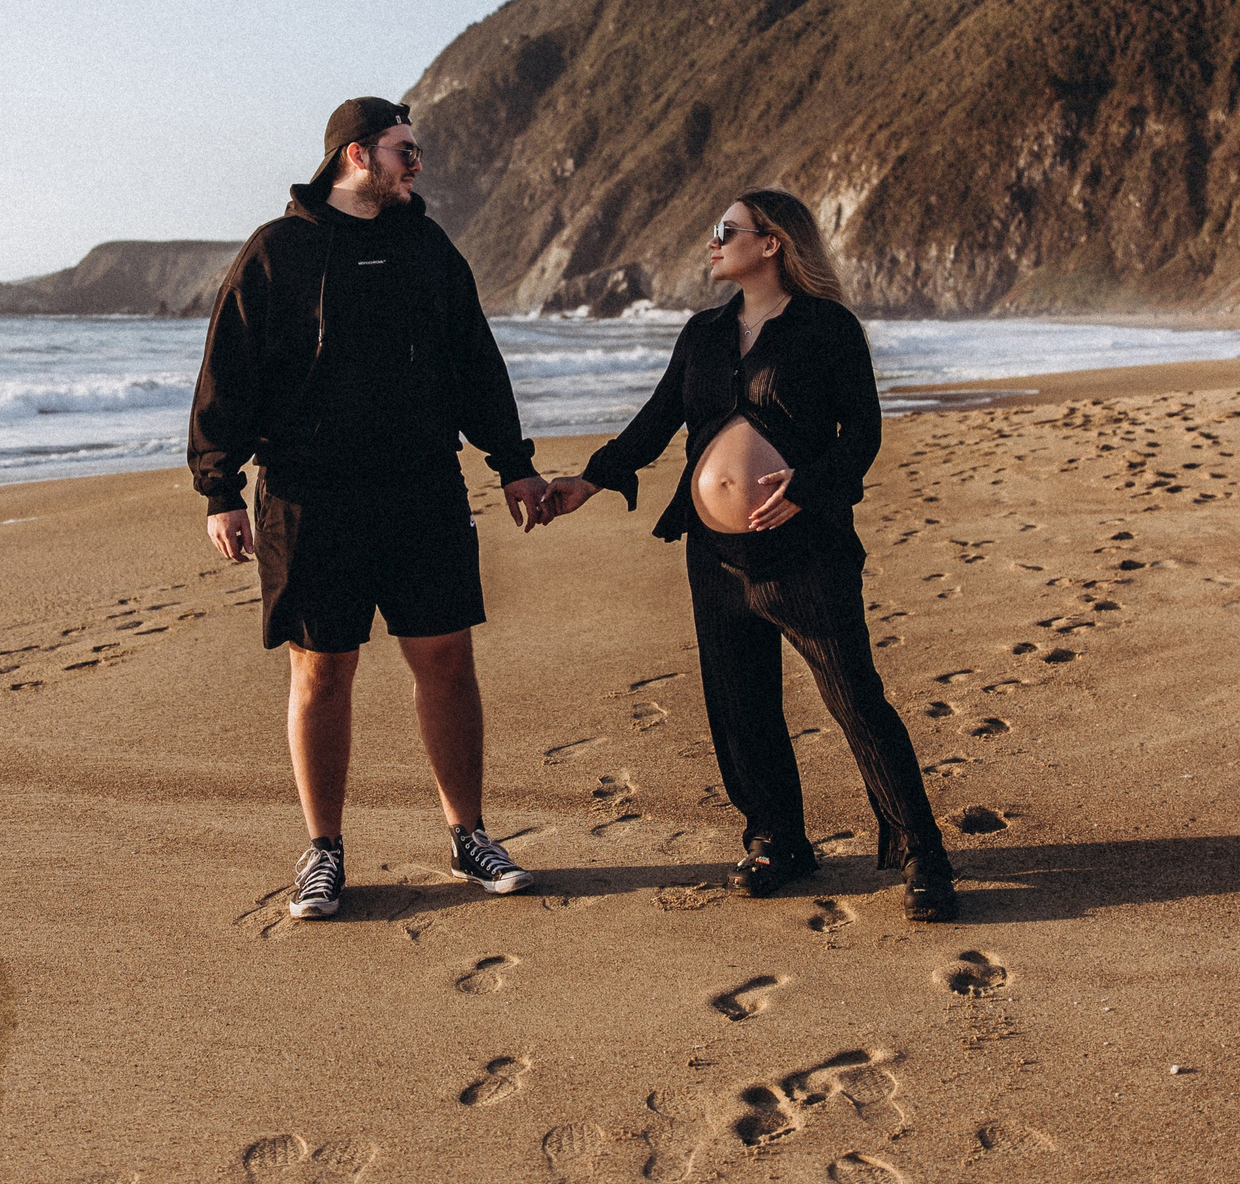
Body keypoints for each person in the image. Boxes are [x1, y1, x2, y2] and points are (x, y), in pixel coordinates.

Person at [540, 189, 959, 922]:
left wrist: (813, 486)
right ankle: (777, 838)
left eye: (725, 230)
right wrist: (592, 478)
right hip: (714, 555)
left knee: (854, 698)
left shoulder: (827, 327)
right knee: (740, 707)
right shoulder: (702, 334)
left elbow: (862, 432)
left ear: (772, 243)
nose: (712, 241)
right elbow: (657, 419)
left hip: (806, 549)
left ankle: (921, 848)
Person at [189, 96, 554, 921]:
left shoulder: (427, 247)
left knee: (447, 661)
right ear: (357, 155)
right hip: (307, 497)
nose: (416, 164)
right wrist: (218, 488)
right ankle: (323, 851)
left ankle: (469, 835)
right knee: (322, 670)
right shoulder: (277, 251)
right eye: (405, 151)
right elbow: (227, 373)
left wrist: (514, 465)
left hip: (423, 486)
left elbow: (476, 364)